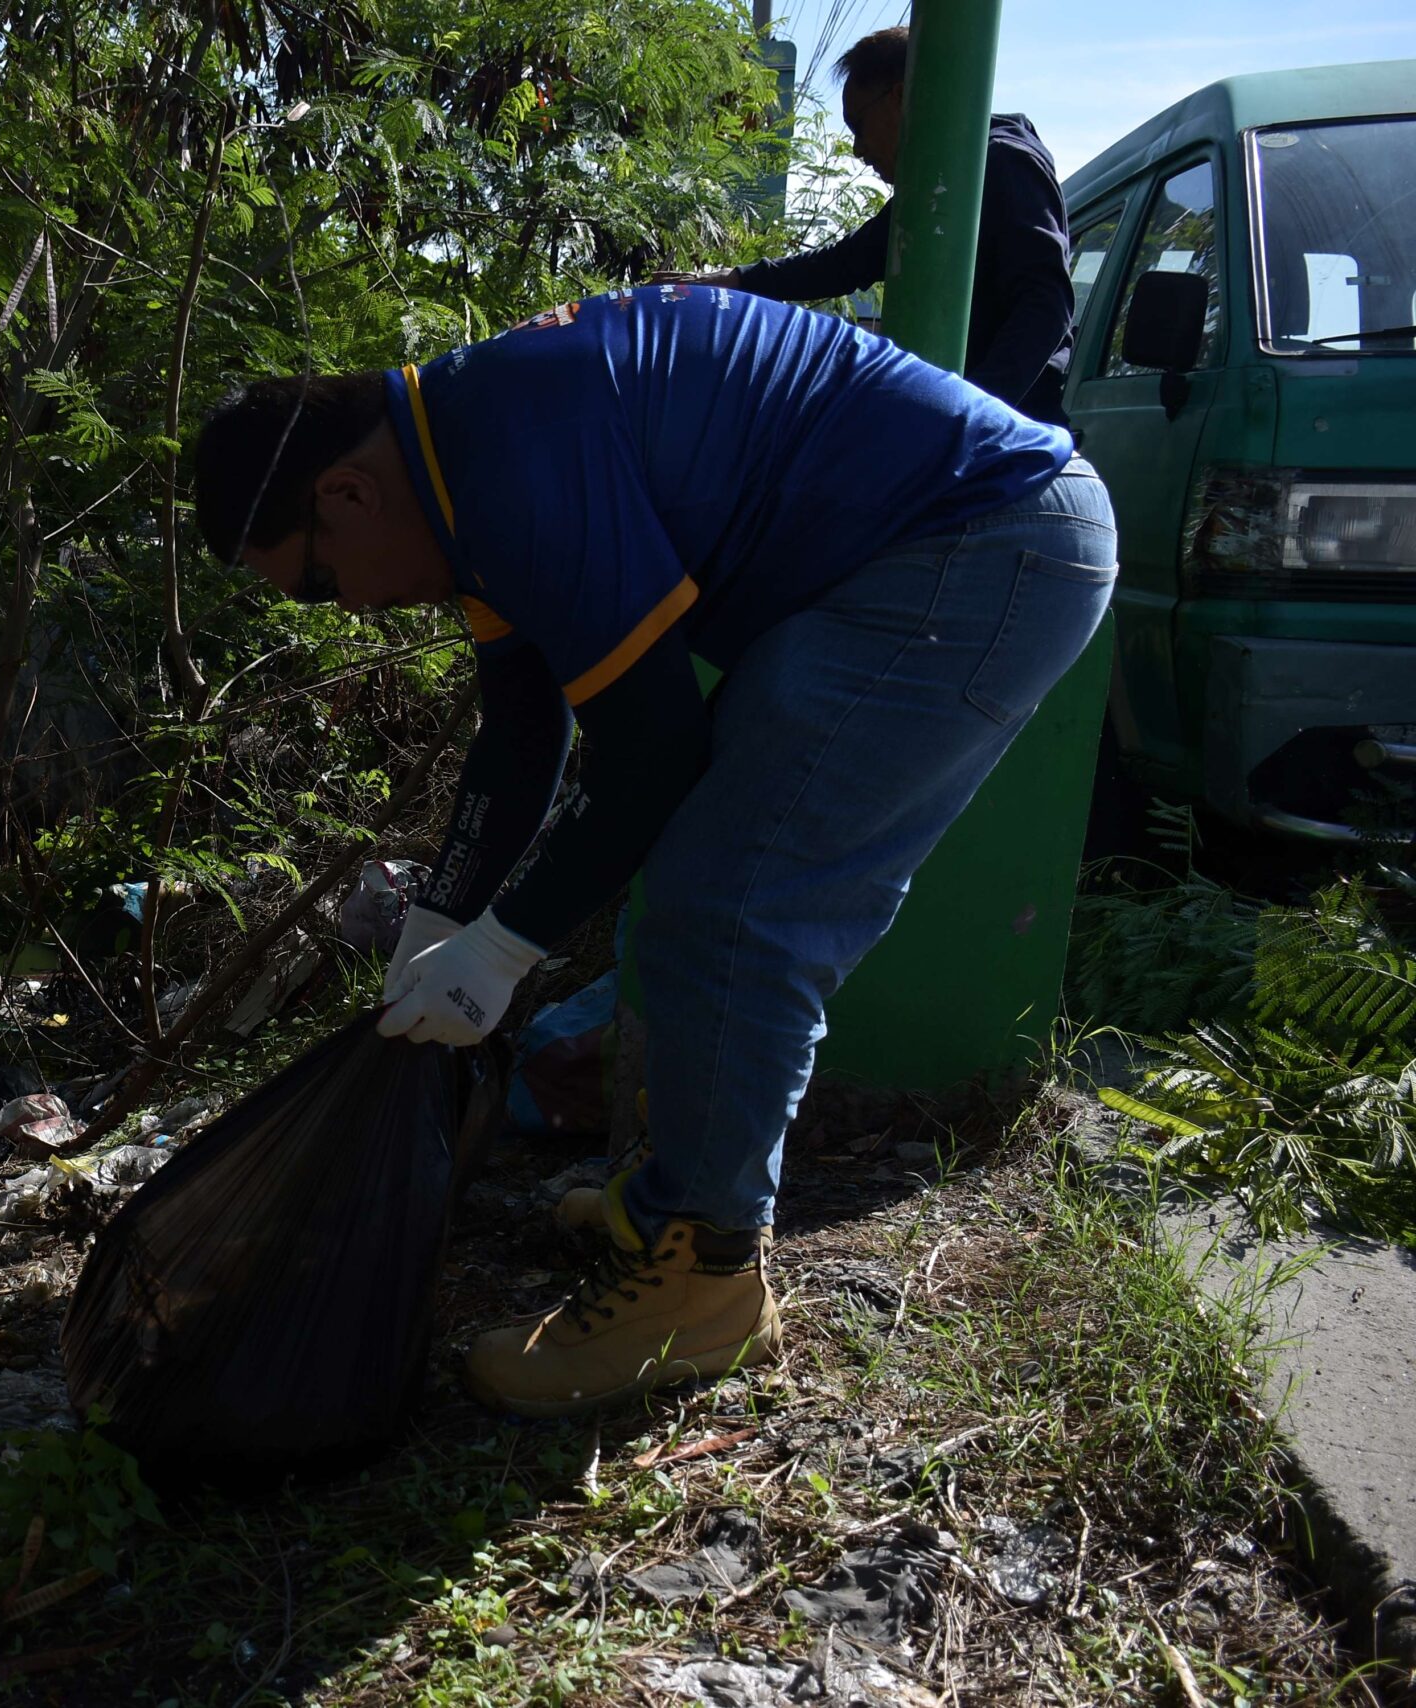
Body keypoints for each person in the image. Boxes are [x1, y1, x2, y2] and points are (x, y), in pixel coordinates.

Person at [192, 284, 1114, 1419]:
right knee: (696, 881)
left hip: (981, 543)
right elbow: (521, 732)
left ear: (345, 492)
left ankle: (703, 1281)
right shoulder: (458, 457)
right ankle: (678, 1201)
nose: (352, 608)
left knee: (734, 901)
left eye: (322, 584)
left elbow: (650, 753)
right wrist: (441, 919)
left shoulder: (508, 459)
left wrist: (501, 949)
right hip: (931, 548)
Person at [692, 27, 1076, 425]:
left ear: (900, 97)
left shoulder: (1002, 164)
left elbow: (1046, 302)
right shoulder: (935, 183)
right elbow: (845, 263)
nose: (857, 149)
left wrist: (971, 413)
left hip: (1014, 435)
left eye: (858, 125)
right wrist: (736, 279)